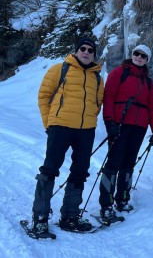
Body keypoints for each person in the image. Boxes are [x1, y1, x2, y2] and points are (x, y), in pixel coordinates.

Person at [32, 37, 104, 236]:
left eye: (90, 50)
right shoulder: (59, 69)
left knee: (80, 172)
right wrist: (49, 123)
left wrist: (89, 120)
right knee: (50, 169)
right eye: (83, 48)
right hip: (60, 127)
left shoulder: (97, 77)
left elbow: (97, 103)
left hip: (86, 130)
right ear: (76, 50)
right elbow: (44, 96)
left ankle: (70, 216)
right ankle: (40, 218)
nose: (86, 52)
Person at [99, 44, 153, 223]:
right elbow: (109, 97)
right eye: (137, 54)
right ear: (132, 54)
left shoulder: (147, 81)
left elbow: (152, 107)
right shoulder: (119, 73)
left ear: (147, 60)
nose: (139, 57)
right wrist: (109, 122)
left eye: (143, 56)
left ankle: (123, 199)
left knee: (128, 164)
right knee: (113, 164)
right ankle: (106, 204)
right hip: (120, 125)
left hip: (139, 127)